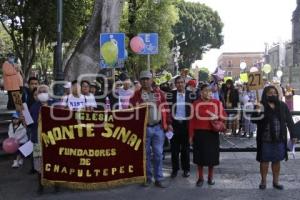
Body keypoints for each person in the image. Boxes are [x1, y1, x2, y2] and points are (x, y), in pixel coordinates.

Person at [130, 70, 172, 188]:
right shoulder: (135, 95)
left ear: (151, 80)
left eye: (147, 79)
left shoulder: (159, 93)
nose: (145, 81)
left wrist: (168, 123)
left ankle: (158, 178)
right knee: (146, 155)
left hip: (158, 128)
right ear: (140, 81)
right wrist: (139, 106)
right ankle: (148, 177)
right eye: (143, 79)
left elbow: (166, 108)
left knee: (158, 154)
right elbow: (130, 109)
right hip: (144, 129)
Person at [252, 85, 297, 190]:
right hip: (265, 139)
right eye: (270, 93)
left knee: (277, 161)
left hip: (279, 138)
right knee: (264, 161)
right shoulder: (260, 105)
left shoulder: (282, 105)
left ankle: (276, 182)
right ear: (265, 94)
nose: (273, 94)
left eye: (274, 92)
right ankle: (263, 181)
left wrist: (294, 135)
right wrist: (257, 111)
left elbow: (290, 121)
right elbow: (254, 120)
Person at [189, 84, 226, 187]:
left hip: (212, 133)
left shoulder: (217, 103)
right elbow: (191, 121)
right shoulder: (195, 104)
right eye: (205, 91)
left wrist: (217, 117)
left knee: (212, 158)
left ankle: (210, 177)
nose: (208, 93)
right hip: (199, 134)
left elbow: (223, 116)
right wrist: (191, 135)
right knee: (199, 157)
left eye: (210, 91)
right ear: (201, 92)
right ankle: (200, 178)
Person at [29, 85, 58, 194]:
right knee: (39, 165)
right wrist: (24, 119)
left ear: (49, 92)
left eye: (44, 91)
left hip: (54, 139)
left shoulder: (56, 104)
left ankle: (56, 184)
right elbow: (30, 123)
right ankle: (40, 186)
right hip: (38, 139)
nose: (42, 93)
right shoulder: (34, 107)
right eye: (40, 91)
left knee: (54, 163)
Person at [168, 76, 194, 178]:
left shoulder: (191, 95)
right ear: (175, 84)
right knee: (174, 150)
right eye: (178, 83)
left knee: (185, 150)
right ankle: (175, 170)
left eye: (181, 82)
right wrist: (169, 123)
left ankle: (186, 169)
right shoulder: (171, 95)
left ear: (185, 83)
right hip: (174, 125)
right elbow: (167, 109)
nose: (180, 84)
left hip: (186, 125)